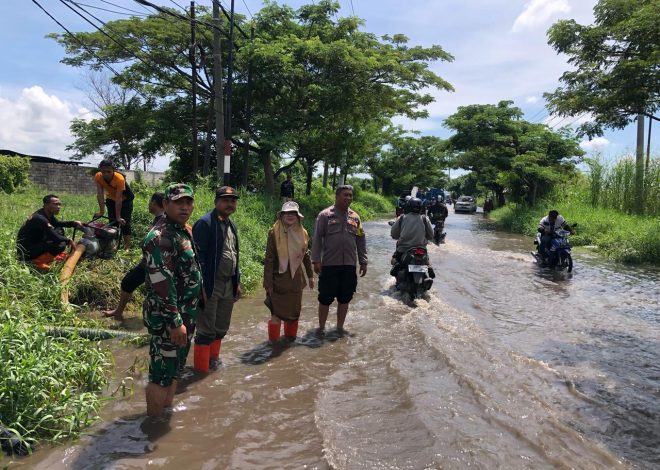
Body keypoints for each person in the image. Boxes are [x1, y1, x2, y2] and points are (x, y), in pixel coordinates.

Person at [142, 183, 202, 417]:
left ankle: (166, 414)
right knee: (161, 374)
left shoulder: (182, 230)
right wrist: (175, 321)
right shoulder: (160, 237)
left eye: (188, 202)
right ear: (166, 204)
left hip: (186, 316)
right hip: (169, 320)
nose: (185, 207)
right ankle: (153, 426)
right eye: (178, 202)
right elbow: (161, 284)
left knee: (175, 369)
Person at [192, 186, 242, 373]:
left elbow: (235, 255)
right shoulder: (205, 224)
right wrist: (201, 286)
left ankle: (213, 362)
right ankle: (200, 372)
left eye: (233, 200)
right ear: (216, 202)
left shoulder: (231, 225)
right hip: (210, 285)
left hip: (228, 284)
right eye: (225, 200)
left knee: (221, 327)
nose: (230, 204)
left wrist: (237, 283)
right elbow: (198, 259)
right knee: (206, 330)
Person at [311, 185, 367, 337]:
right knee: (325, 298)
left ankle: (339, 328)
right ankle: (321, 328)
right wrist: (316, 260)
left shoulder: (355, 217)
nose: (348, 198)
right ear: (337, 196)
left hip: (349, 265)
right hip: (329, 264)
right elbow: (317, 239)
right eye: (345, 195)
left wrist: (363, 260)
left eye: (350, 195)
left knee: (345, 298)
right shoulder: (325, 215)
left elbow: (361, 240)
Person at [103, 192, 166, 320]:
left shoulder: (163, 221)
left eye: (150, 202)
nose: (149, 205)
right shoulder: (159, 220)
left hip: (154, 265)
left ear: (154, 203)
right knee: (128, 282)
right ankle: (119, 311)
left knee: (151, 292)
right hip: (148, 263)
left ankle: (159, 322)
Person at [263, 201, 315, 343]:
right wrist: (268, 283)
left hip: (295, 281)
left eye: (293, 213)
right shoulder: (273, 232)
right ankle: (273, 345)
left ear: (298, 217)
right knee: (276, 315)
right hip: (277, 280)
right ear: (282, 215)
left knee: (293, 314)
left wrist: (310, 276)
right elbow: (269, 259)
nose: (290, 216)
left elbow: (306, 255)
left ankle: (289, 343)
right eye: (287, 213)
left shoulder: (303, 233)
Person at [16, 194, 83, 270]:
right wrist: (68, 240)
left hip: (35, 242)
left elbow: (57, 224)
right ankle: (36, 261)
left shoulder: (45, 213)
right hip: (26, 251)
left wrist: (73, 223)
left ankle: (47, 256)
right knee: (61, 244)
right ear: (46, 205)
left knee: (59, 229)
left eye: (59, 204)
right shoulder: (40, 218)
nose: (58, 207)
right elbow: (55, 237)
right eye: (55, 204)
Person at [94, 160, 135, 249]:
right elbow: (100, 194)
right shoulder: (98, 176)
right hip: (111, 199)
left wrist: (118, 216)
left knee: (125, 223)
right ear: (100, 170)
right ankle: (114, 244)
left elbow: (119, 198)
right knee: (112, 223)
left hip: (125, 200)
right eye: (103, 171)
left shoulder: (119, 178)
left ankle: (127, 246)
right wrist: (101, 212)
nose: (106, 174)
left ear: (113, 171)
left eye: (109, 171)